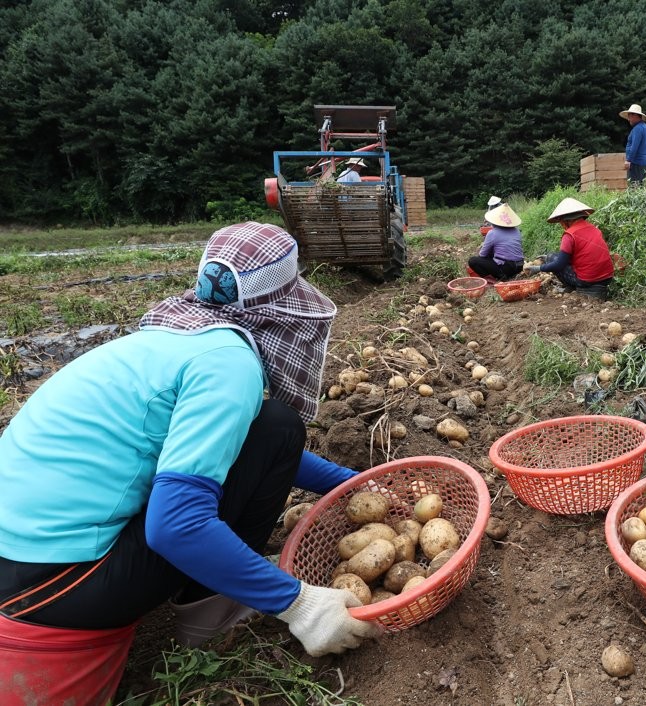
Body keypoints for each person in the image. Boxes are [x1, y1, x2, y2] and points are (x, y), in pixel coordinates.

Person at [0, 222, 378, 704]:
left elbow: (247, 448)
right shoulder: (227, 360)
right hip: (64, 590)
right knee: (278, 424)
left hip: (18, 567)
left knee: (268, 430)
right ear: (283, 308)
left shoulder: (166, 342)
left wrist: (355, 483)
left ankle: (207, 589)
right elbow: (175, 526)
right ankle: (208, 611)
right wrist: (299, 604)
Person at [524, 197, 615, 299]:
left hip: (586, 280)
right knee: (553, 257)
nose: (561, 225)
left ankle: (571, 288)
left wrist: (538, 268)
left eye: (561, 222)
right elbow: (583, 254)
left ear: (566, 221)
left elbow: (559, 265)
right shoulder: (594, 229)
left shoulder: (569, 235)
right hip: (607, 278)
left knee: (552, 257)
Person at [467, 203, 524, 281]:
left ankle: (498, 277)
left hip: (507, 268)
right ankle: (504, 274)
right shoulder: (516, 231)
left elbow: (482, 255)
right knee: (493, 252)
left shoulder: (492, 233)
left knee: (473, 261)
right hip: (520, 266)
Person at [620, 103, 646, 186]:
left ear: (635, 115)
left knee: (633, 187)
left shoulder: (638, 128)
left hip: (636, 162)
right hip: (643, 162)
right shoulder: (645, 127)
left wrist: (628, 160)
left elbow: (634, 146)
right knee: (640, 187)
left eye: (629, 116)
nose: (628, 119)